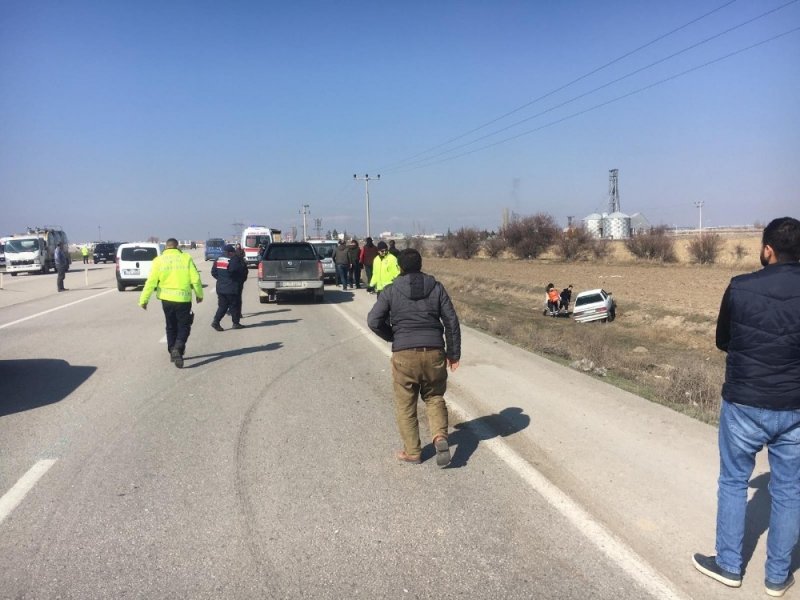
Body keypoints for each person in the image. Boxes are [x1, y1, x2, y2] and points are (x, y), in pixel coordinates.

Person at [692, 217, 800, 597]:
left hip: (744, 404)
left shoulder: (740, 287)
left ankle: (729, 565)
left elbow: (724, 340)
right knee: (790, 491)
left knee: (734, 482)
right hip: (796, 406)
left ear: (767, 249)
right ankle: (776, 577)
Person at [367, 248, 461, 467]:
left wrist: (393, 337)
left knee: (406, 403)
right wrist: (453, 354)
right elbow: (451, 321)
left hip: (404, 354)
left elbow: (373, 321)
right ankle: (439, 437)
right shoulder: (436, 288)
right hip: (434, 351)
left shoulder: (391, 290)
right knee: (434, 397)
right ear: (420, 265)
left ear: (399, 267)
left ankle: (412, 452)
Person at [139, 238, 204, 369]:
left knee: (170, 325)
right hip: (183, 299)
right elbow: (195, 278)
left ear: (166, 247)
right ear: (177, 246)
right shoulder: (185, 258)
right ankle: (178, 347)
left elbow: (151, 281)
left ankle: (172, 351)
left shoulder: (158, 260)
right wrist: (199, 294)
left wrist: (143, 300)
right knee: (184, 325)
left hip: (166, 300)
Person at [211, 244, 248, 331]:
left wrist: (221, 279)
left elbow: (213, 272)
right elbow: (239, 272)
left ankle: (216, 321)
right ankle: (236, 323)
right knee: (234, 305)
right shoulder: (234, 260)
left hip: (220, 287)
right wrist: (239, 281)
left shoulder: (218, 260)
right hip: (232, 287)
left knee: (222, 306)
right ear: (230, 252)